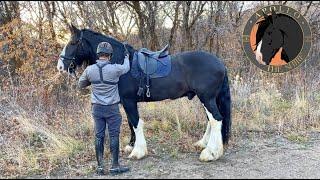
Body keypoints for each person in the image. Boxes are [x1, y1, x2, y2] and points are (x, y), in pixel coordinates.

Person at [78, 42, 130, 175]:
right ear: (110, 55)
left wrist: (93, 81)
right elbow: (127, 67)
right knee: (114, 135)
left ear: (98, 54)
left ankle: (100, 167)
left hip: (97, 108)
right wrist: (126, 57)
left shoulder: (89, 70)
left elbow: (81, 84)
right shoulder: (115, 69)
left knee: (99, 136)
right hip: (112, 108)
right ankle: (114, 166)